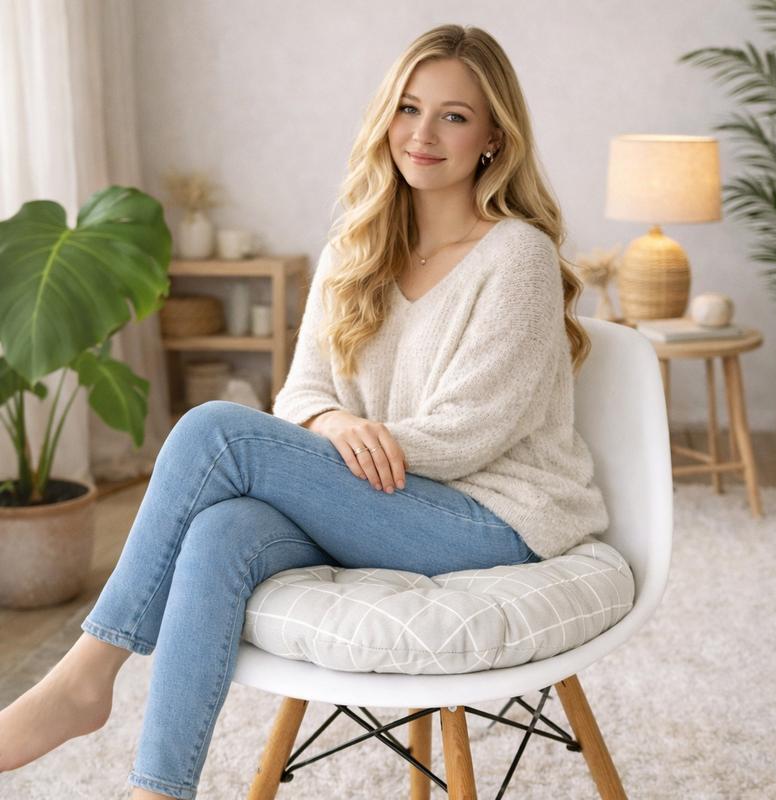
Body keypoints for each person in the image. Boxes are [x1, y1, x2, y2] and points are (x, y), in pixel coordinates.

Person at [0, 23, 609, 800]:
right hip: (386, 500)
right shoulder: (356, 247)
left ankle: (86, 677)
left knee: (213, 430)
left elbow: (466, 436)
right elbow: (303, 396)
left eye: (454, 116)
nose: (422, 134)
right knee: (223, 530)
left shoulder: (515, 256)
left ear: (493, 136)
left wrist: (347, 442)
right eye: (408, 108)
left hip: (498, 518)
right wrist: (335, 428)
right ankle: (157, 791)